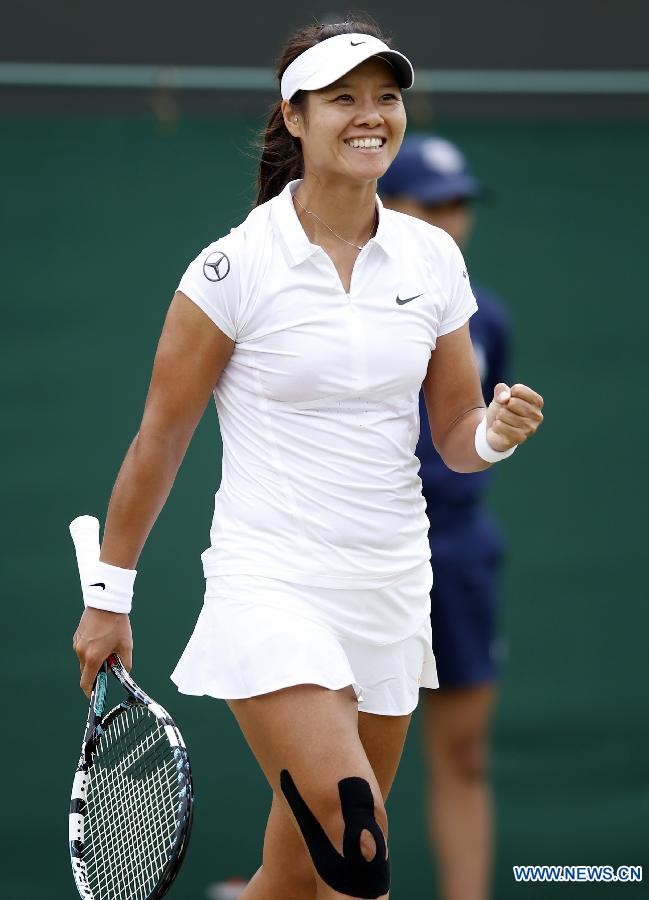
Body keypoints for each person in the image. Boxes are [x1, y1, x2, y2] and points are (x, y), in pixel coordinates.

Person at [71, 20, 544, 900]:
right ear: (294, 117)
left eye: (385, 97)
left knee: (298, 878)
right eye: (343, 99)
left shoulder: (432, 258)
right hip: (272, 582)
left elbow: (452, 434)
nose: (370, 116)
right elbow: (159, 442)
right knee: (355, 835)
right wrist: (109, 599)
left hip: (393, 587)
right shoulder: (230, 270)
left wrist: (492, 434)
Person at [380, 135, 511, 900]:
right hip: (362, 550)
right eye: (430, 202)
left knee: (462, 755)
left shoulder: (484, 318)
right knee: (343, 769)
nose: (448, 219)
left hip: (457, 553)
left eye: (457, 203)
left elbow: (470, 434)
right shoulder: (325, 308)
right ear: (386, 206)